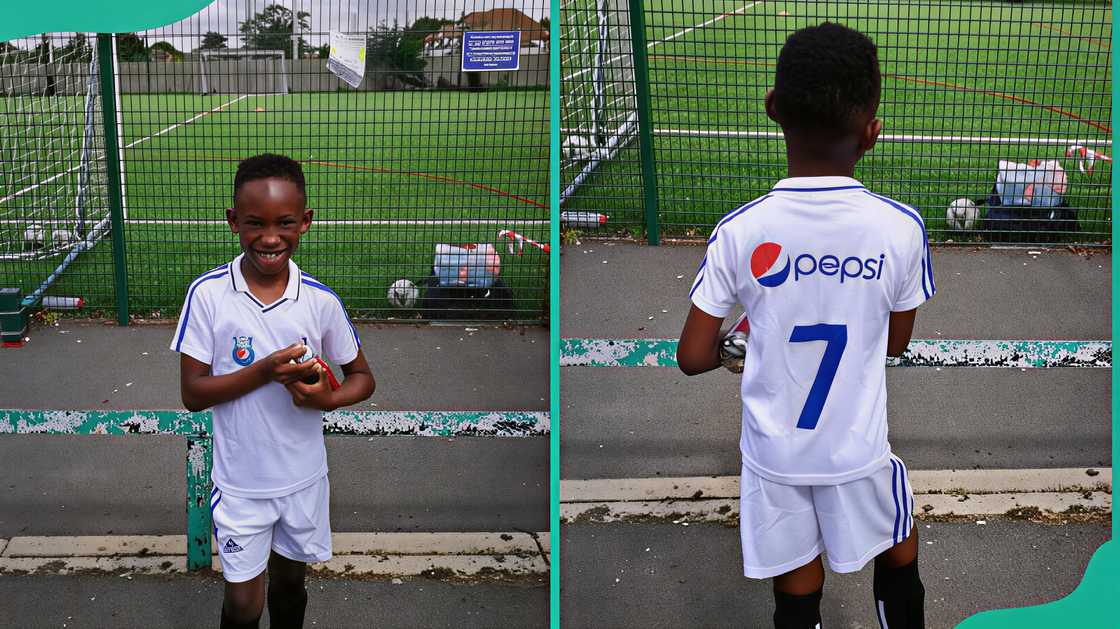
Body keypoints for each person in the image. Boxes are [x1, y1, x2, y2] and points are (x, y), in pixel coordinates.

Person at [677, 23, 934, 629]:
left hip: (775, 459)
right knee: (897, 543)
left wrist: (737, 345)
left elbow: (691, 355)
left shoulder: (740, 230)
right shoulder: (900, 228)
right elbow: (895, 342)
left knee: (796, 580)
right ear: (873, 131)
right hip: (858, 451)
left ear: (773, 110)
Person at [170, 154, 375, 629]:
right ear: (232, 221)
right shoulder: (209, 295)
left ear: (305, 221)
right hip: (242, 486)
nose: (269, 237)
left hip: (303, 481)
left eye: (284, 223)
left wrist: (328, 398)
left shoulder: (320, 301)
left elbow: (363, 378)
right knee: (245, 604)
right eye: (254, 224)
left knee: (289, 587)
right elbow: (193, 393)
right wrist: (263, 372)